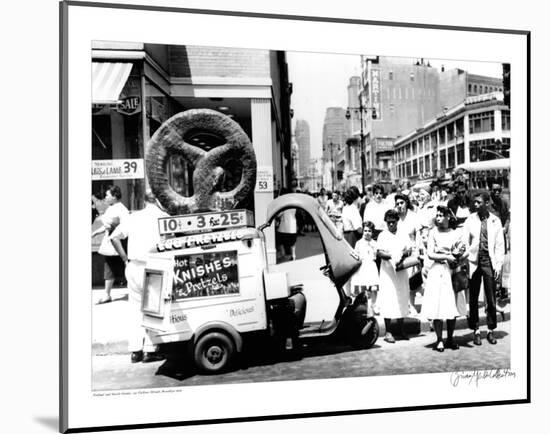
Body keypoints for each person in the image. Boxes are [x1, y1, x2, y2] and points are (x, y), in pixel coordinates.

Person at [110, 191, 168, 363]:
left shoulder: (133, 217)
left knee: (135, 310)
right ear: (158, 199)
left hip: (133, 265)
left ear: (144, 201)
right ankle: (150, 350)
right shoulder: (163, 217)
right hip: (153, 264)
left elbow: (114, 237)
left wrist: (125, 259)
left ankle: (135, 351)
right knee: (153, 308)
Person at [421, 206, 468, 352]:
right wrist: (446, 256)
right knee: (437, 306)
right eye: (437, 215)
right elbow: (430, 254)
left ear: (448, 217)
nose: (438, 218)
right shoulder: (433, 233)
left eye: (441, 215)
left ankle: (450, 338)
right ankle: (439, 339)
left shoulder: (456, 233)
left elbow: (465, 251)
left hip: (452, 271)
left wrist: (457, 258)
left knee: (450, 306)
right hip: (437, 270)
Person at [462, 192, 505, 345]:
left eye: (479, 202)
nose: (475, 205)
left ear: (487, 203)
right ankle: (476, 330)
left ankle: (491, 330)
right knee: (473, 298)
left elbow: (500, 245)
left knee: (491, 298)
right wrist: (466, 261)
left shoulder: (495, 221)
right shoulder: (470, 220)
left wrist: (498, 265)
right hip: (474, 261)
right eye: (475, 202)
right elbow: (464, 242)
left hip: (489, 262)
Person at [376, 209, 412, 343]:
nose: (391, 225)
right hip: (388, 272)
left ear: (397, 221)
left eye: (393, 222)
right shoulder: (382, 236)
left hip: (401, 270)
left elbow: (409, 249)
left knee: (402, 297)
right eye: (388, 222)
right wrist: (393, 256)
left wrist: (404, 253)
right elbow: (379, 253)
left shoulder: (403, 233)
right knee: (388, 298)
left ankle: (401, 329)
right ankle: (388, 331)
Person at [91, 185, 129, 304]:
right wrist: (96, 232)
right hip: (110, 241)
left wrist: (113, 227)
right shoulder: (111, 208)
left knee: (126, 265)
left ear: (114, 196)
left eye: (108, 195)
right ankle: (107, 294)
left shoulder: (121, 209)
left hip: (119, 242)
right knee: (109, 266)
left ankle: (136, 291)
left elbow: (125, 225)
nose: (106, 197)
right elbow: (107, 224)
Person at [394, 193, 422, 315]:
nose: (400, 206)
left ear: (407, 203)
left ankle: (412, 304)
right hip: (400, 254)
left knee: (414, 280)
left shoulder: (414, 217)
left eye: (402, 203)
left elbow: (419, 237)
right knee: (403, 280)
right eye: (397, 204)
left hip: (413, 253)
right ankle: (406, 305)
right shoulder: (395, 218)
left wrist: (418, 253)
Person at [351, 221, 380, 314]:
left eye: (369, 231)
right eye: (365, 231)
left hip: (371, 266)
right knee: (363, 288)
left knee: (374, 288)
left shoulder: (374, 243)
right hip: (363, 266)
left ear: (372, 232)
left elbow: (377, 254)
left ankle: (374, 304)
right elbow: (356, 254)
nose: (367, 233)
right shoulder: (359, 243)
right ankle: (364, 306)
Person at [275, 190, 298, 261]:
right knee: (292, 242)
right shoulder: (293, 203)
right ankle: (293, 255)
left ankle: (282, 255)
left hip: (284, 227)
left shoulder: (283, 204)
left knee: (279, 241)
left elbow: (279, 214)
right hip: (292, 227)